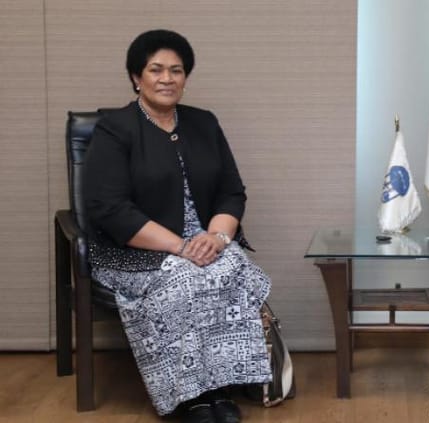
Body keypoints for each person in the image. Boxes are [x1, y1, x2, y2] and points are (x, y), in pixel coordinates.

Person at [83, 29, 271, 423]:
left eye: (177, 70)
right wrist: (179, 247)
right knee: (183, 278)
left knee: (231, 268)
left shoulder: (204, 123)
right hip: (134, 250)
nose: (167, 78)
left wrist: (217, 237)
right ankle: (191, 397)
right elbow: (109, 207)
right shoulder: (115, 128)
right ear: (136, 77)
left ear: (185, 77)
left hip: (205, 241)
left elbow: (231, 192)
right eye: (156, 70)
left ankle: (221, 389)